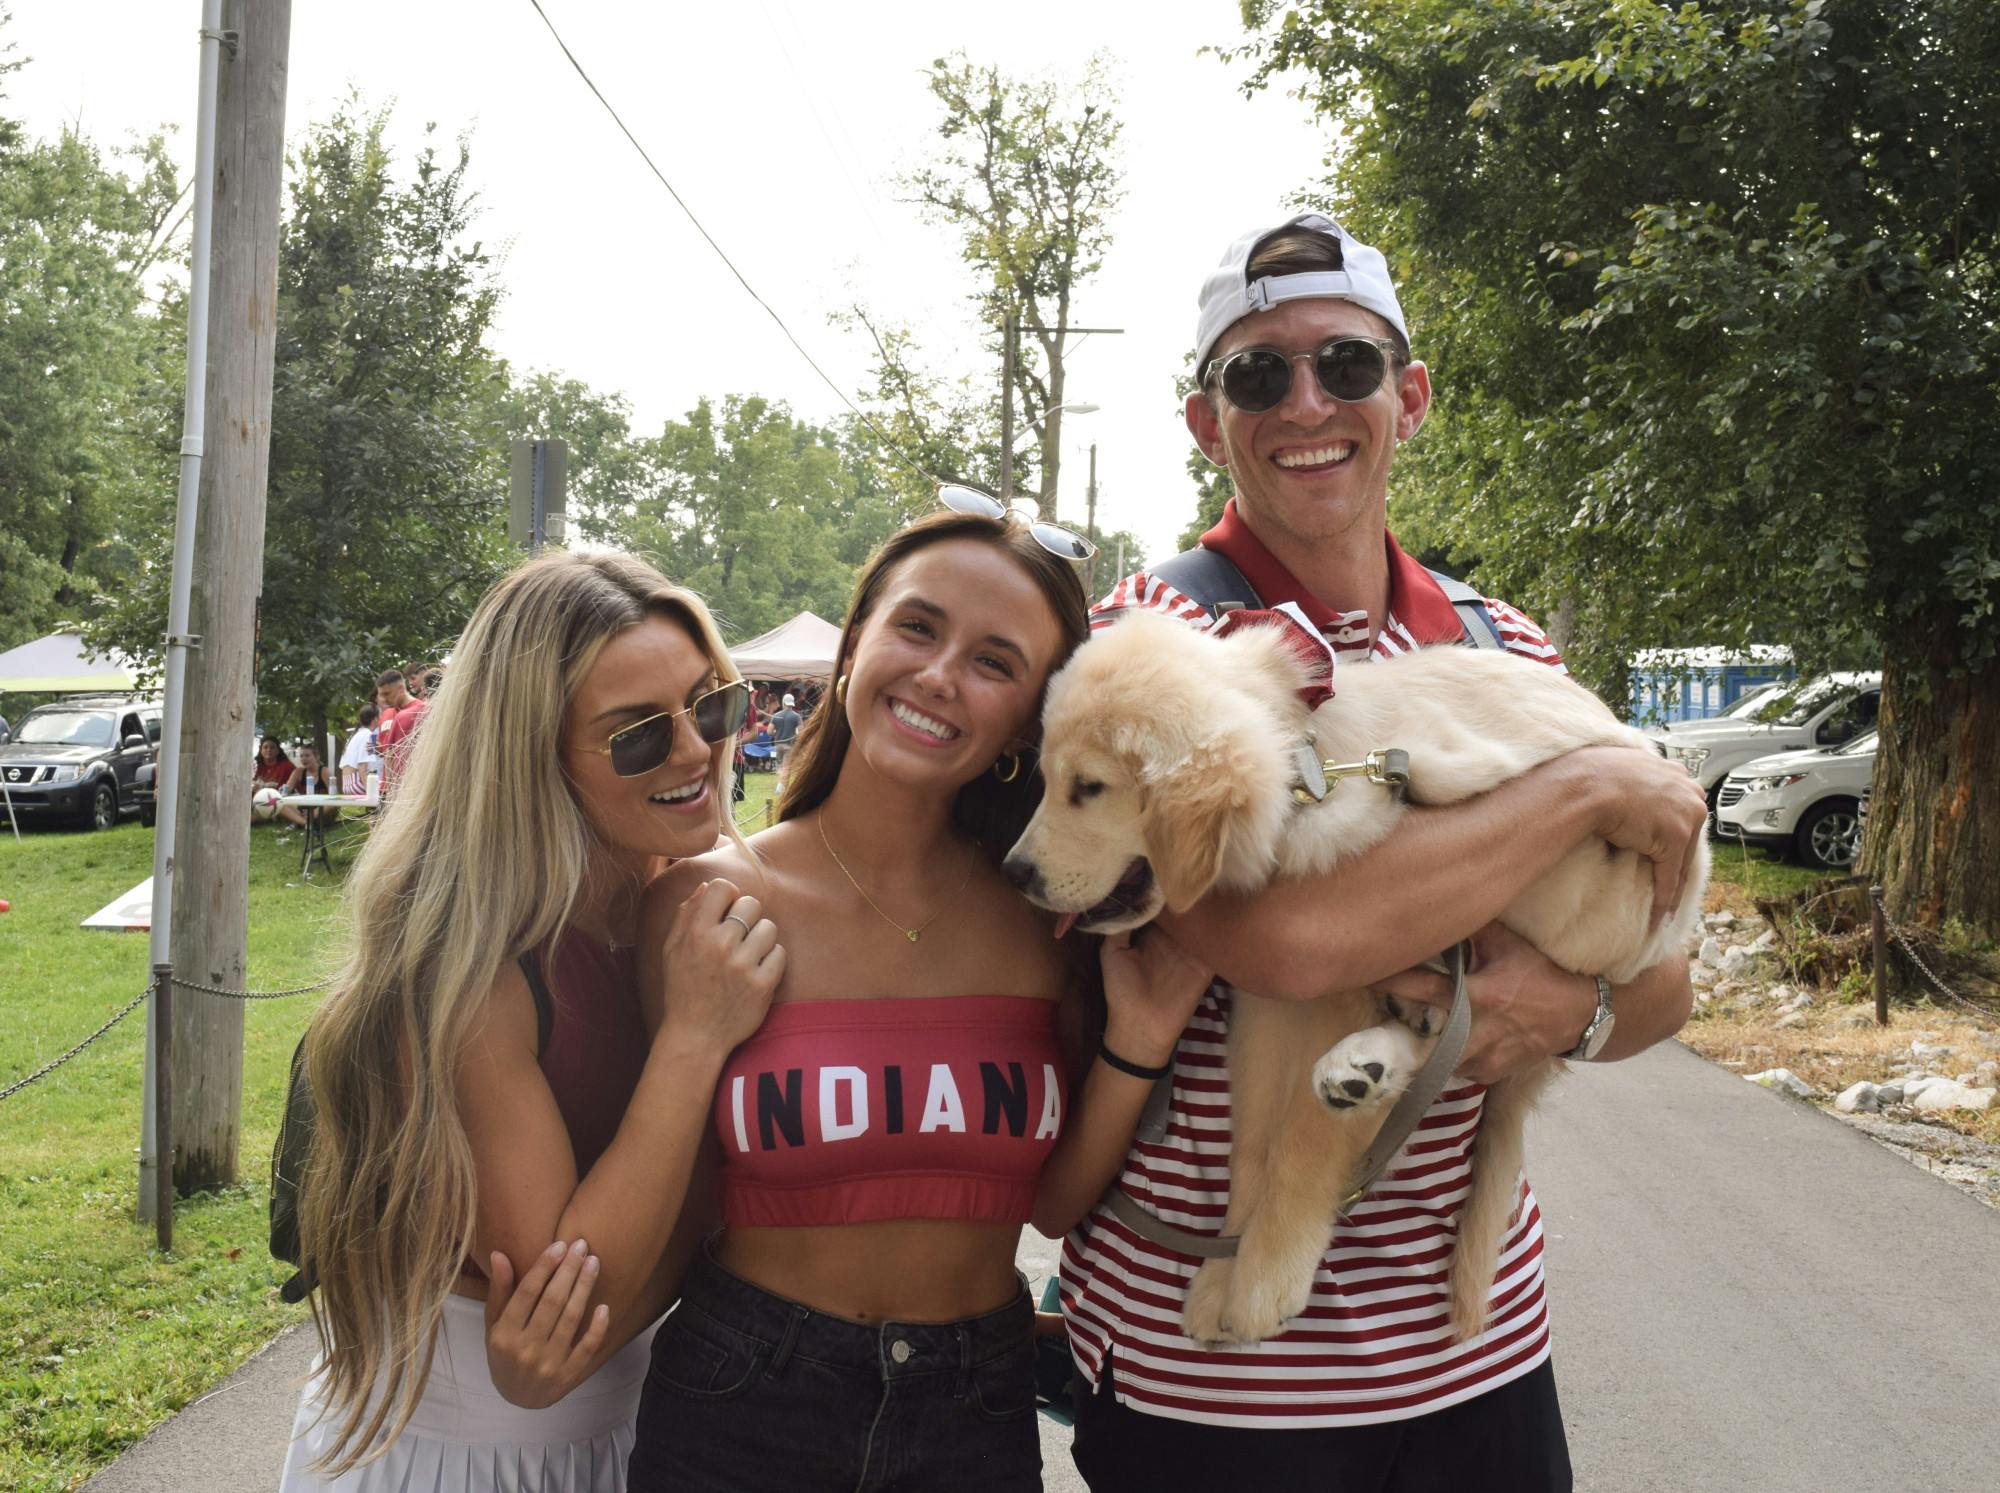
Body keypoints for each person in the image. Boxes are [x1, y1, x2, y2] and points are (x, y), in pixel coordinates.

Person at [1056, 214, 1711, 1491]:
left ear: (1406, 398)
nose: (1307, 401)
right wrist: (1581, 784)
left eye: (1345, 365)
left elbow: (1665, 981)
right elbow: (1290, 942)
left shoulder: (1500, 638)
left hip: (1478, 1357)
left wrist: (1561, 1009)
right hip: (1219, 1379)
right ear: (1207, 423)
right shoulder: (1153, 643)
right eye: (1256, 373)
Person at [488, 508, 1214, 1491]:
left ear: (1028, 720)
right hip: (741, 1404)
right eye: (915, 627)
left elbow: (1047, 1200)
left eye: (995, 661)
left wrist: (1137, 1039)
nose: (938, 674)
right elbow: (671, 1195)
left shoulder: (1046, 922)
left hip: (977, 1413)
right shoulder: (704, 905)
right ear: (854, 641)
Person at [279, 552, 781, 1491]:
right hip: (464, 1457)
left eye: (713, 704)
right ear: (532, 757)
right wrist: (694, 1041)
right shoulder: (466, 968)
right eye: (635, 734)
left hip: (641, 1429)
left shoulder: (671, 900)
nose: (694, 748)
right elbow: (563, 1325)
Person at [374, 669, 427, 792]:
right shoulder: (386, 714)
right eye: (380, 695)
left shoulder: (421, 711)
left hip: (409, 788)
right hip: (387, 787)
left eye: (387, 694)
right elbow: (388, 751)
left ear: (401, 688)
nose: (383, 699)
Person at [276, 745, 337, 832]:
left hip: (321, 809)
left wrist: (315, 812)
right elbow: (286, 791)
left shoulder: (324, 771)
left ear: (316, 757)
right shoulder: (298, 772)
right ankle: (306, 823)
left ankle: (301, 821)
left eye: (307, 756)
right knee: (278, 803)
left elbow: (334, 796)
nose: (303, 759)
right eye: (301, 756)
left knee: (332, 804)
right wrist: (282, 790)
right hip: (304, 809)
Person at [339, 704, 381, 796]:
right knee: (388, 788)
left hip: (346, 785)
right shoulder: (368, 734)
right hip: (357, 784)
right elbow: (362, 767)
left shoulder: (356, 734)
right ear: (375, 719)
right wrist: (371, 796)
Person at [253, 734, 295, 822]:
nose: (269, 750)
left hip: (275, 803)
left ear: (278, 751)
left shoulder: (287, 766)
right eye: (265, 747)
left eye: (272, 747)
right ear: (261, 750)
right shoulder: (255, 766)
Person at [767, 691, 803, 788]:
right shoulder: (796, 716)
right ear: (792, 703)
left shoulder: (776, 715)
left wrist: (777, 733)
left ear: (783, 703)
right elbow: (801, 732)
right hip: (790, 745)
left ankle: (781, 785)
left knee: (780, 765)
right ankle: (782, 787)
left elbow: (769, 732)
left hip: (778, 745)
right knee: (787, 766)